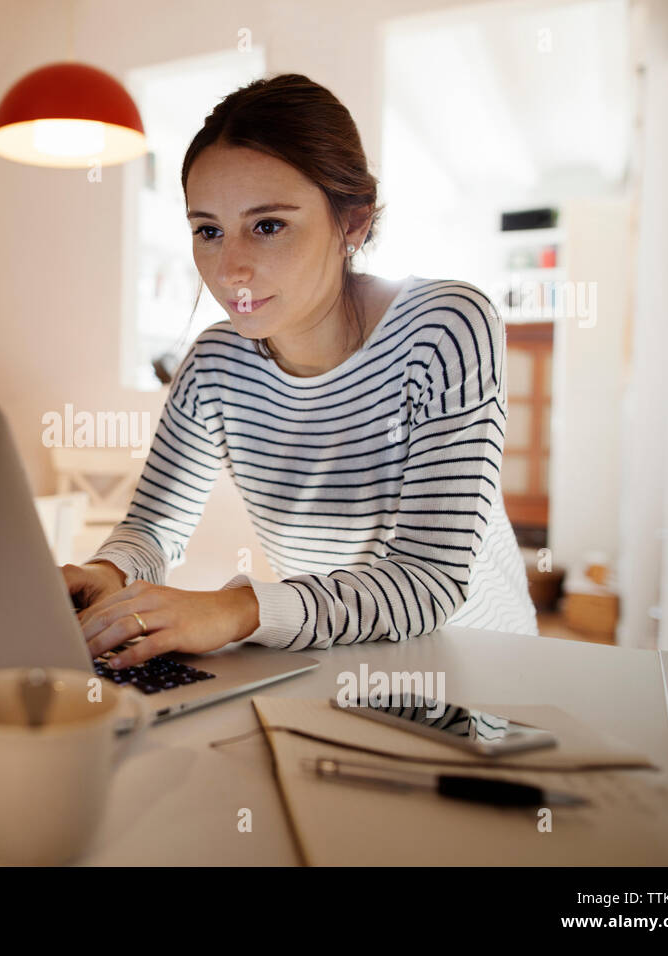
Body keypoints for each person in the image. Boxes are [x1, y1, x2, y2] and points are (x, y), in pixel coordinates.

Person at [61, 74, 537, 670]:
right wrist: (107, 572)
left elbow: (427, 580)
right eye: (208, 230)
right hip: (334, 664)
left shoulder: (444, 328)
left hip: (475, 673)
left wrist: (236, 608)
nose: (230, 267)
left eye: (268, 226)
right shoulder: (215, 365)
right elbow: (154, 527)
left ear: (354, 223)